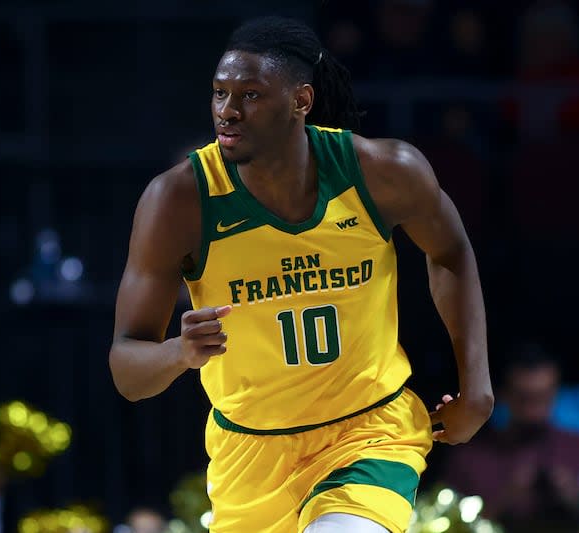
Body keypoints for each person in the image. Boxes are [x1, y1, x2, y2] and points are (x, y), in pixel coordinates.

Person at [109, 16, 493, 533]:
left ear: (301, 101)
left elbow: (451, 252)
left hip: (369, 430)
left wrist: (479, 388)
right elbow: (126, 370)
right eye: (219, 94)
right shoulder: (178, 200)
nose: (228, 111)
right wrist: (179, 352)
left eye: (250, 95)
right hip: (249, 454)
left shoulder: (381, 171)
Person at [441, 343, 579, 533]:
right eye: (524, 398)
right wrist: (504, 500)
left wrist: (577, 499)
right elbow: (447, 524)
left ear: (556, 392)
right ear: (503, 394)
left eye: (542, 397)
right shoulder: (470, 459)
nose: (533, 412)